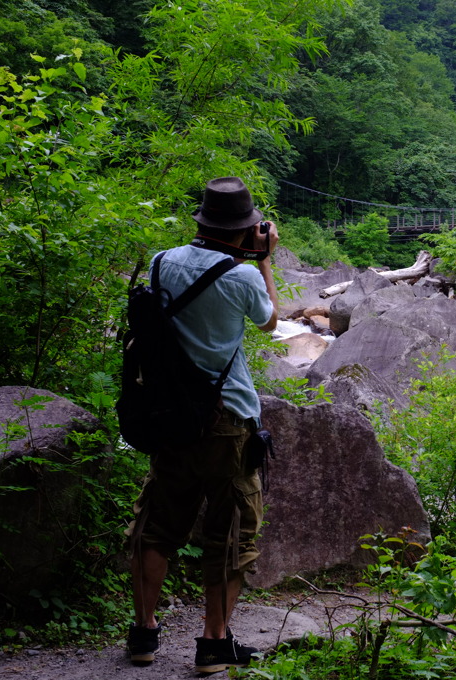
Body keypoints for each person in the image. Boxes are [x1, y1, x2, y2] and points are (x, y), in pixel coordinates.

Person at [125, 176, 279, 673]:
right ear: (249, 228)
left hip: (170, 415)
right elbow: (270, 322)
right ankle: (214, 643)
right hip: (228, 419)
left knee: (159, 524)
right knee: (232, 529)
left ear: (203, 220)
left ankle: (144, 634)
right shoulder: (243, 276)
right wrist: (264, 259)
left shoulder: (161, 261)